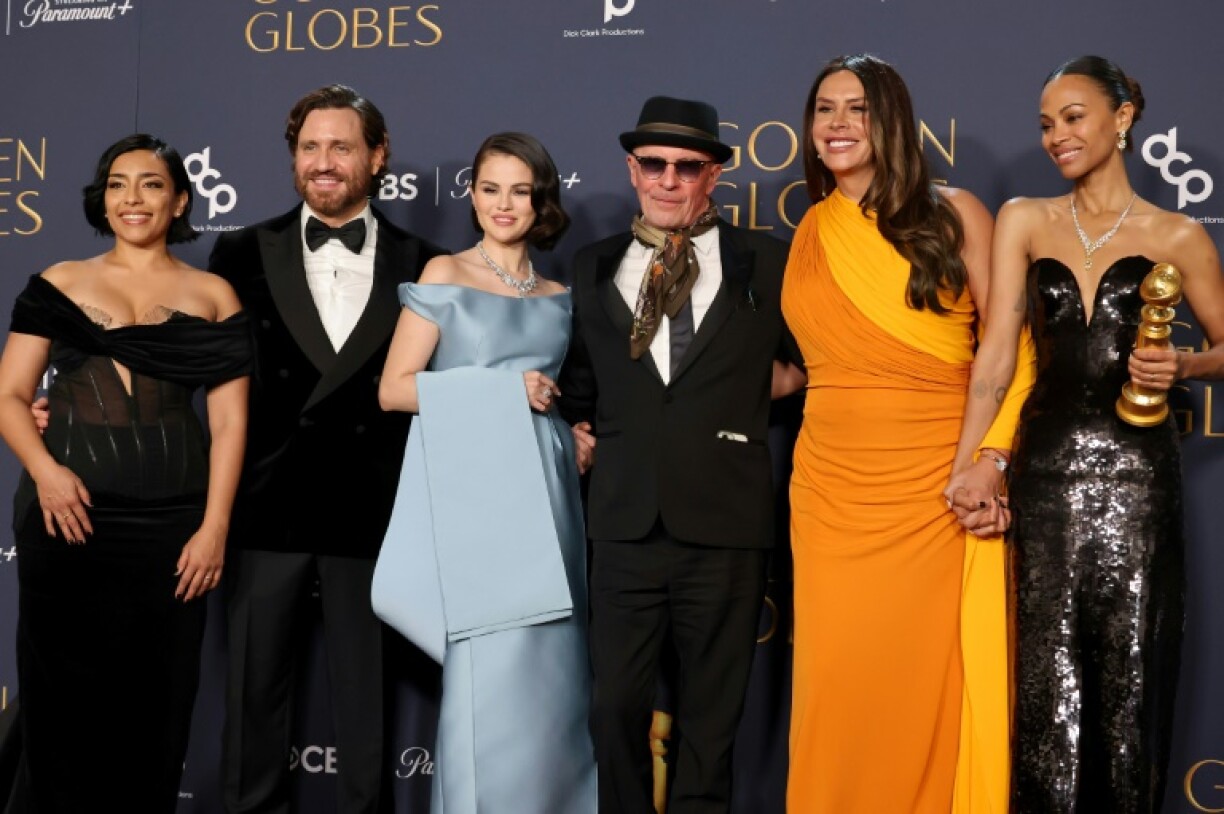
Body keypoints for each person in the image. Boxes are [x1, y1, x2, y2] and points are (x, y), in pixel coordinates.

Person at [953, 55, 1224, 813]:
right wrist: (970, 464)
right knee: (1048, 686)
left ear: (1123, 118)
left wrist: (1186, 362)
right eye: (1045, 124)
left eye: (1073, 118)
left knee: (1131, 676)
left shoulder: (1178, 235)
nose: (1056, 137)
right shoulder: (1024, 219)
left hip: (1141, 481)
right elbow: (997, 358)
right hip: (1044, 479)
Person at [782, 55, 1031, 813]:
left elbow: (1010, 347)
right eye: (825, 110)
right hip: (827, 492)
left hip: (933, 491)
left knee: (920, 683)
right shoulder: (811, 231)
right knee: (836, 688)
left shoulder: (956, 213)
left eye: (856, 109)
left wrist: (985, 459)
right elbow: (814, 365)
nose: (837, 125)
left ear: (891, 119)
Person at [558, 96, 801, 813]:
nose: (668, 180)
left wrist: (748, 398)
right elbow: (580, 382)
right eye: (653, 165)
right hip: (623, 520)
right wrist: (570, 427)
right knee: (613, 714)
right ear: (632, 171)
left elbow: (816, 360)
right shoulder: (591, 265)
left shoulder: (771, 259)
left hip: (725, 523)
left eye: (686, 166)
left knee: (711, 724)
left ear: (714, 174)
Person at [208, 85, 445, 813]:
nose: (323, 162)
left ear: (377, 157)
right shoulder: (239, 249)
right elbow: (198, 365)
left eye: (341, 146)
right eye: (309, 147)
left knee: (365, 703)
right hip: (264, 507)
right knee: (253, 698)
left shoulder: (425, 261)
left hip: (370, 511)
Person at [0, 134, 250, 811]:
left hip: (173, 532)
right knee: (60, 712)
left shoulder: (214, 294)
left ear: (180, 200)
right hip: (65, 519)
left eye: (149, 183)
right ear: (101, 199)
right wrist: (46, 472)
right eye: (117, 184)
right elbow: (11, 397)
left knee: (159, 714)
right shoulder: (58, 281)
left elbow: (229, 424)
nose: (131, 198)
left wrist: (215, 527)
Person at [371, 131, 596, 814]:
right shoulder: (445, 274)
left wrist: (570, 432)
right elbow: (395, 389)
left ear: (541, 199)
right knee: (489, 671)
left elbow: (551, 391)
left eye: (520, 190)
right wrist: (504, 393)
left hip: (549, 489)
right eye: (490, 188)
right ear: (472, 196)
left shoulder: (559, 293)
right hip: (478, 497)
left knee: (553, 673)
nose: (504, 204)